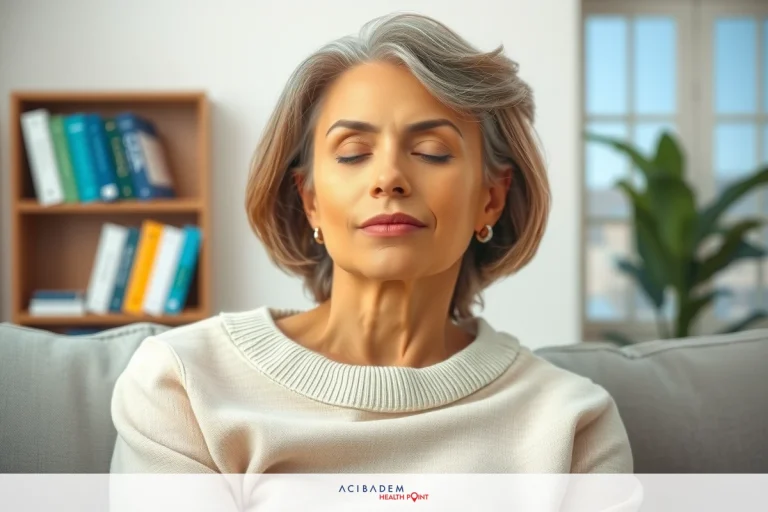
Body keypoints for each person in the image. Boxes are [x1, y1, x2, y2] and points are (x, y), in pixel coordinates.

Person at [110, 12, 633, 475]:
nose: (389, 179)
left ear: (490, 200)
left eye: (431, 151)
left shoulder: (572, 424)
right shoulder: (182, 385)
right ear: (310, 199)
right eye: (353, 152)